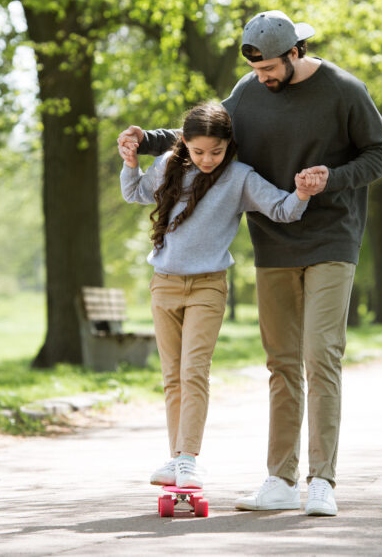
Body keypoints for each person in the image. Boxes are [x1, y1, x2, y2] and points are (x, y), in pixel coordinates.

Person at [118, 10, 382, 516]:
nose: (262, 78)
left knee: (320, 355)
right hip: (273, 240)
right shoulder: (250, 91)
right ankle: (280, 478)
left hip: (332, 237)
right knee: (282, 362)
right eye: (257, 70)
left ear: (295, 53)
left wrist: (329, 179)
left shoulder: (344, 90)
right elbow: (204, 128)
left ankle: (322, 481)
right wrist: (147, 142)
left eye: (270, 68)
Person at [120, 102, 325, 490]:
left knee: (193, 371)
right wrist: (131, 161)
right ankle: (178, 457)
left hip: (207, 286)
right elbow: (134, 193)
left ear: (228, 145)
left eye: (216, 151)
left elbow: (284, 211)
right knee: (171, 377)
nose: (207, 159)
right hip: (163, 283)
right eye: (198, 152)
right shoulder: (168, 166)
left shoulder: (240, 177)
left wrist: (301, 193)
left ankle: (187, 458)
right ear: (185, 143)